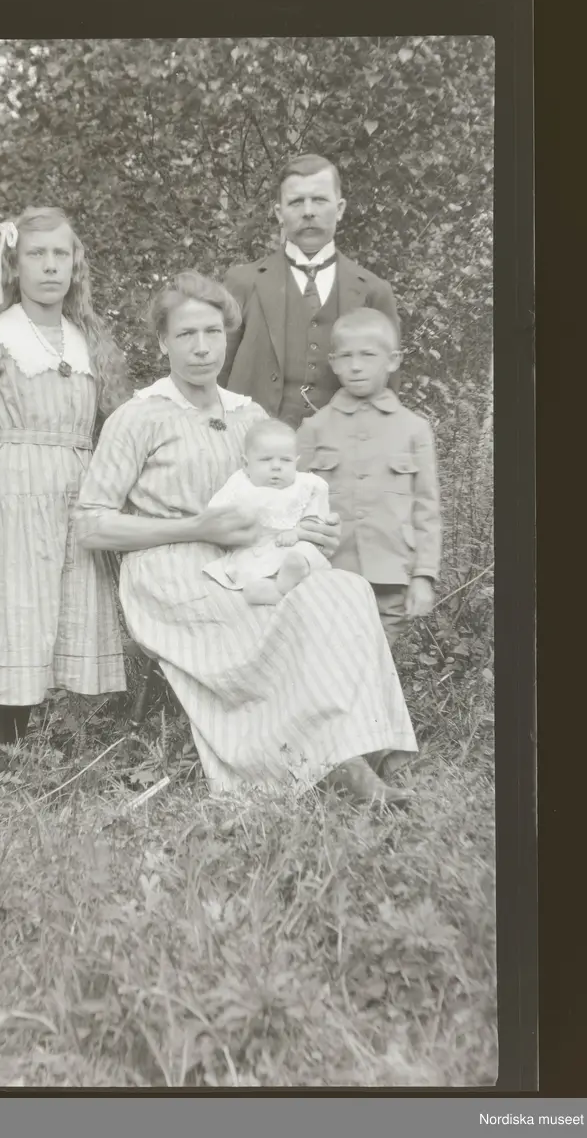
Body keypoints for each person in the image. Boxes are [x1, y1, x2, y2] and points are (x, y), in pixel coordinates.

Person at [75, 271, 417, 804]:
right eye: (186, 334)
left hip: (250, 558)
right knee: (282, 611)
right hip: (169, 572)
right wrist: (195, 527)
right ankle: (335, 764)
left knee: (345, 589)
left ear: (227, 336)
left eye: (213, 332)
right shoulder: (137, 417)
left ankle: (368, 740)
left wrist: (308, 528)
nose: (202, 347)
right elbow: (90, 523)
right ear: (163, 342)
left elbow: (279, 499)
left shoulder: (249, 416)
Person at [0, 206, 132, 780]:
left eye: (60, 254)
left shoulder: (86, 340)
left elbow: (116, 426)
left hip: (74, 501)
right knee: (6, 620)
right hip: (10, 504)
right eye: (37, 254)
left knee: (47, 623)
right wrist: (13, 463)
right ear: (15, 265)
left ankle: (28, 762)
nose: (50, 266)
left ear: (75, 264)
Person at [220, 153, 400, 430]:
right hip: (252, 444)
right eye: (296, 202)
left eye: (319, 200)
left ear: (339, 208)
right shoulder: (242, 283)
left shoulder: (374, 291)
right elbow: (216, 375)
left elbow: (388, 391)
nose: (308, 211)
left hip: (342, 448)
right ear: (279, 213)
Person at [297, 307, 441, 647]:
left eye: (368, 355)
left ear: (392, 360)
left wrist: (423, 576)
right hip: (328, 575)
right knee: (328, 662)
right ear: (333, 363)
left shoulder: (414, 430)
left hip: (391, 578)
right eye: (346, 356)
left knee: (378, 665)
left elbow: (427, 509)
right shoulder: (313, 429)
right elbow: (292, 504)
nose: (356, 366)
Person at [202, 417, 332, 605]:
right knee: (248, 569)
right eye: (266, 460)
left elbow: (316, 518)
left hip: (294, 544)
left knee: (305, 553)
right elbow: (215, 514)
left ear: (296, 463)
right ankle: (276, 590)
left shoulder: (306, 485)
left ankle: (285, 583)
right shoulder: (239, 485)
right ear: (246, 464)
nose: (276, 466)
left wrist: (297, 533)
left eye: (286, 460)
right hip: (254, 547)